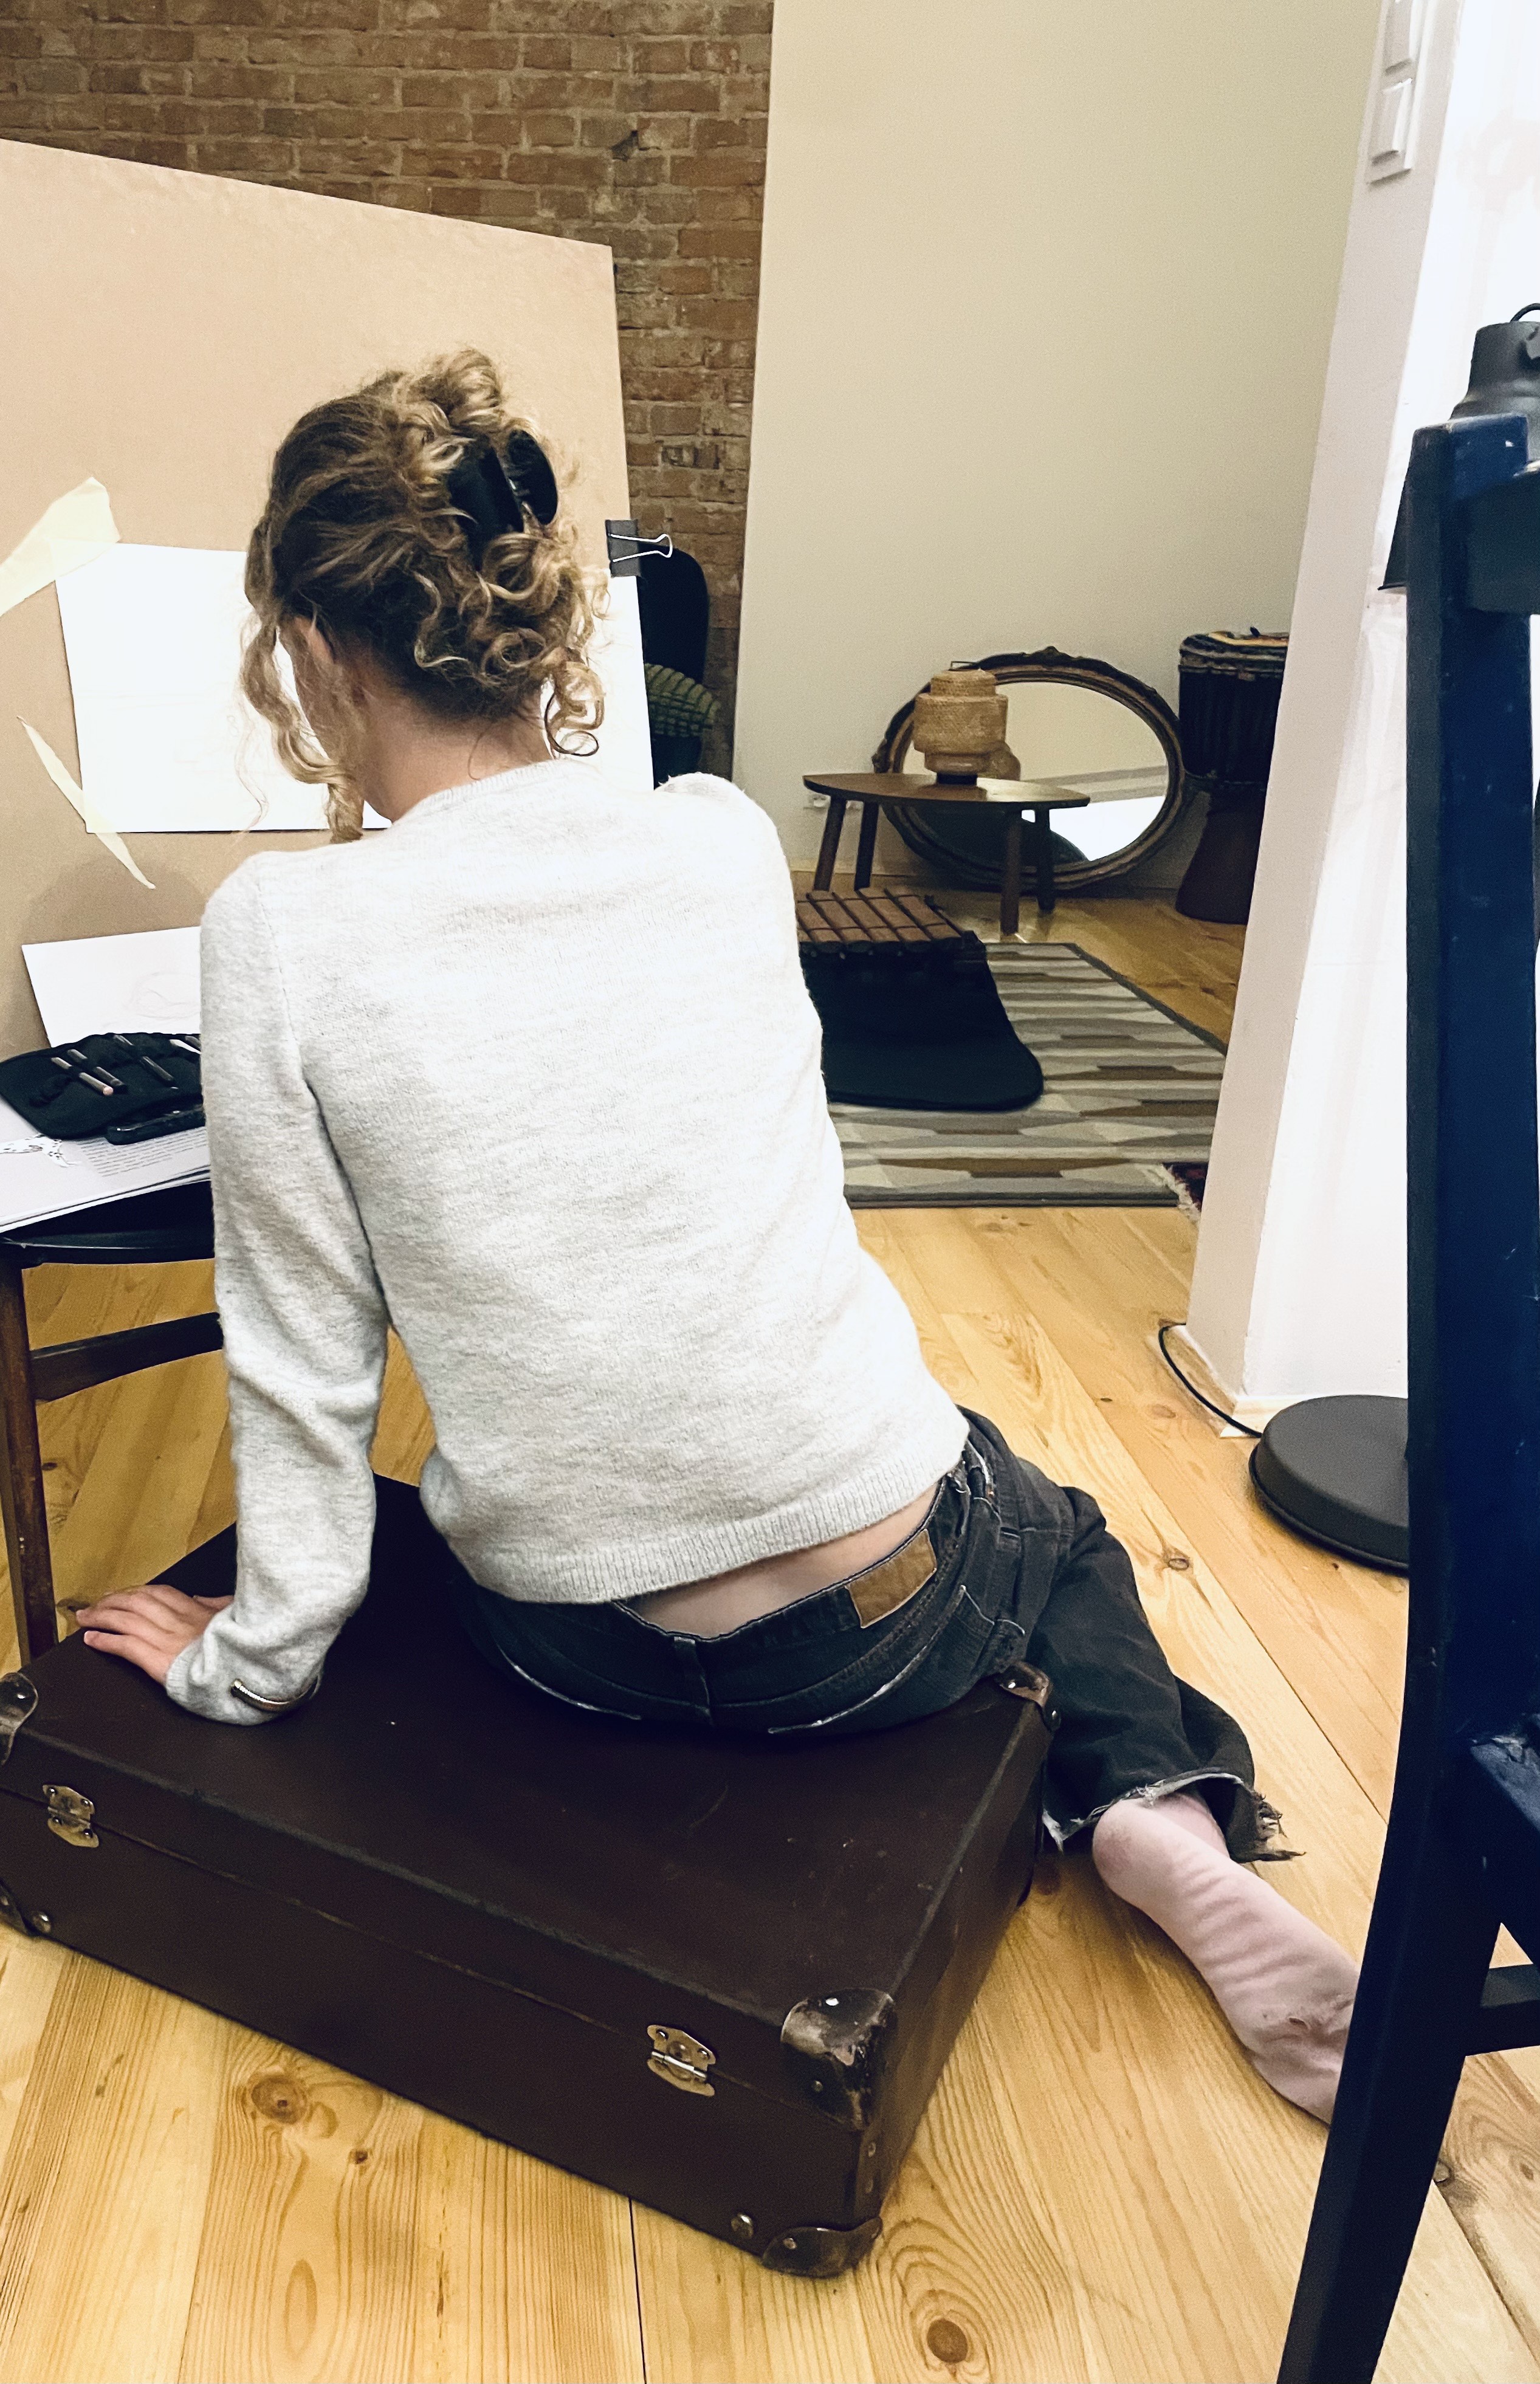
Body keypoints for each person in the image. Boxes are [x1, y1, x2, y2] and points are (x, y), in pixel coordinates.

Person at [80, 352, 1357, 2123]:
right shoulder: (721, 840)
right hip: (884, 1625)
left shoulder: (277, 934)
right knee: (1056, 1526)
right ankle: (1158, 1821)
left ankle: (1125, 1807)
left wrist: (249, 1664)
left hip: (578, 1648)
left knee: (495, 1497)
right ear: (542, 619)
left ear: (313, 647)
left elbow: (304, 1365)